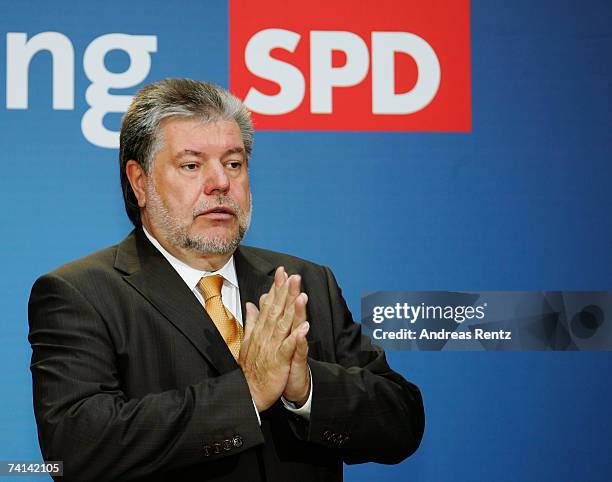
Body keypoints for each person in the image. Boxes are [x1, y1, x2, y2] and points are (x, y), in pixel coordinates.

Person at [28, 78, 424, 481]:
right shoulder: (81, 293)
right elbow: (77, 448)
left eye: (233, 164)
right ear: (140, 182)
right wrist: (248, 392)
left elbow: (402, 421)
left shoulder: (303, 283)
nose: (220, 183)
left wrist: (305, 388)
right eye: (192, 165)